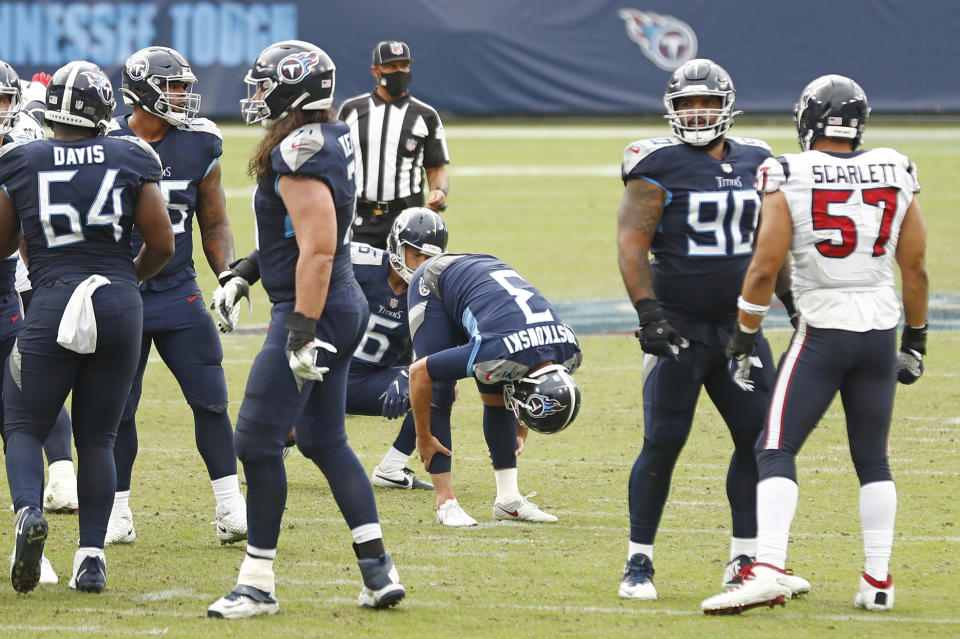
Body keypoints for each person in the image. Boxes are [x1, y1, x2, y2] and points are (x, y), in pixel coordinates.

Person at [701, 75, 928, 615]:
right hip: (879, 326)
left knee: (774, 448)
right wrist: (915, 339)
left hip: (822, 328)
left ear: (807, 121)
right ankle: (877, 581)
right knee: (873, 459)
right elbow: (914, 267)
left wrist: (745, 334)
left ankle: (769, 566)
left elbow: (763, 268)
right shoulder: (896, 167)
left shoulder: (787, 170)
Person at [207, 40, 404, 619]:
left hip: (314, 304)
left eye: (265, 84)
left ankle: (258, 582)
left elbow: (317, 249)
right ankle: (377, 569)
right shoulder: (327, 135)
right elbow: (298, 237)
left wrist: (299, 330)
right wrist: (246, 272)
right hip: (333, 300)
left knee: (256, 442)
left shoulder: (299, 150)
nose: (257, 95)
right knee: (322, 439)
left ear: (292, 87)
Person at [615, 58, 804, 601]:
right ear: (671, 109)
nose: (697, 114)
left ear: (727, 105)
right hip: (679, 329)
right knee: (664, 440)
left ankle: (744, 557)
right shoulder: (654, 163)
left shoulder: (760, 160)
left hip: (740, 328)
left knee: (757, 439)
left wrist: (792, 303)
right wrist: (649, 312)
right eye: (687, 104)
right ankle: (638, 562)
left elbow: (772, 245)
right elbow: (631, 243)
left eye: (707, 103)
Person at [0, 60, 174, 594]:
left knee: (24, 425)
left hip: (52, 298)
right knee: (98, 436)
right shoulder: (131, 154)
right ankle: (92, 556)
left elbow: (3, 245)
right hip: (119, 301)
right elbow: (163, 244)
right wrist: (125, 280)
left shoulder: (22, 158)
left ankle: (30, 512)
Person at [103, 46, 246, 546]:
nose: (183, 97)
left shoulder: (201, 141)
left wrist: (229, 274)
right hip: (122, 291)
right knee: (118, 408)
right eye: (174, 87)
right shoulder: (104, 139)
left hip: (178, 291)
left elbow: (214, 218)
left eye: (185, 87)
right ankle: (116, 510)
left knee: (211, 400)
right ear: (141, 90)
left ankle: (230, 506)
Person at [407, 253, 582, 527]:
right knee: (442, 387)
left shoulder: (568, 353)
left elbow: (528, 383)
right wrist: (423, 436)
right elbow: (419, 373)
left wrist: (521, 431)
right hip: (435, 283)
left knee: (500, 388)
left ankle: (509, 500)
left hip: (488, 291)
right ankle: (445, 501)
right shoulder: (498, 352)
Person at [0, 65, 79, 519]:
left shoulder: (24, 148)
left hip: (21, 278)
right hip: (21, 277)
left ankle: (62, 474)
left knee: (26, 387)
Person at [348, 207, 447, 490]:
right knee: (284, 436)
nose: (421, 264)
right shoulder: (357, 261)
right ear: (396, 245)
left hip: (370, 380)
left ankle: (391, 468)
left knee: (440, 381)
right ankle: (279, 442)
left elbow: (436, 354)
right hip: (323, 374)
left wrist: (407, 377)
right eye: (416, 254)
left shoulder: (434, 291)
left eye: (430, 257)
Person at [337, 41, 449, 248]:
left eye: (404, 66)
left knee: (407, 279)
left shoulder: (425, 115)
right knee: (358, 277)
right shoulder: (351, 110)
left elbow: (436, 169)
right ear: (375, 71)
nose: (399, 72)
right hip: (360, 216)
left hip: (408, 217)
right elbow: (337, 163)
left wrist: (440, 191)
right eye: (392, 66)